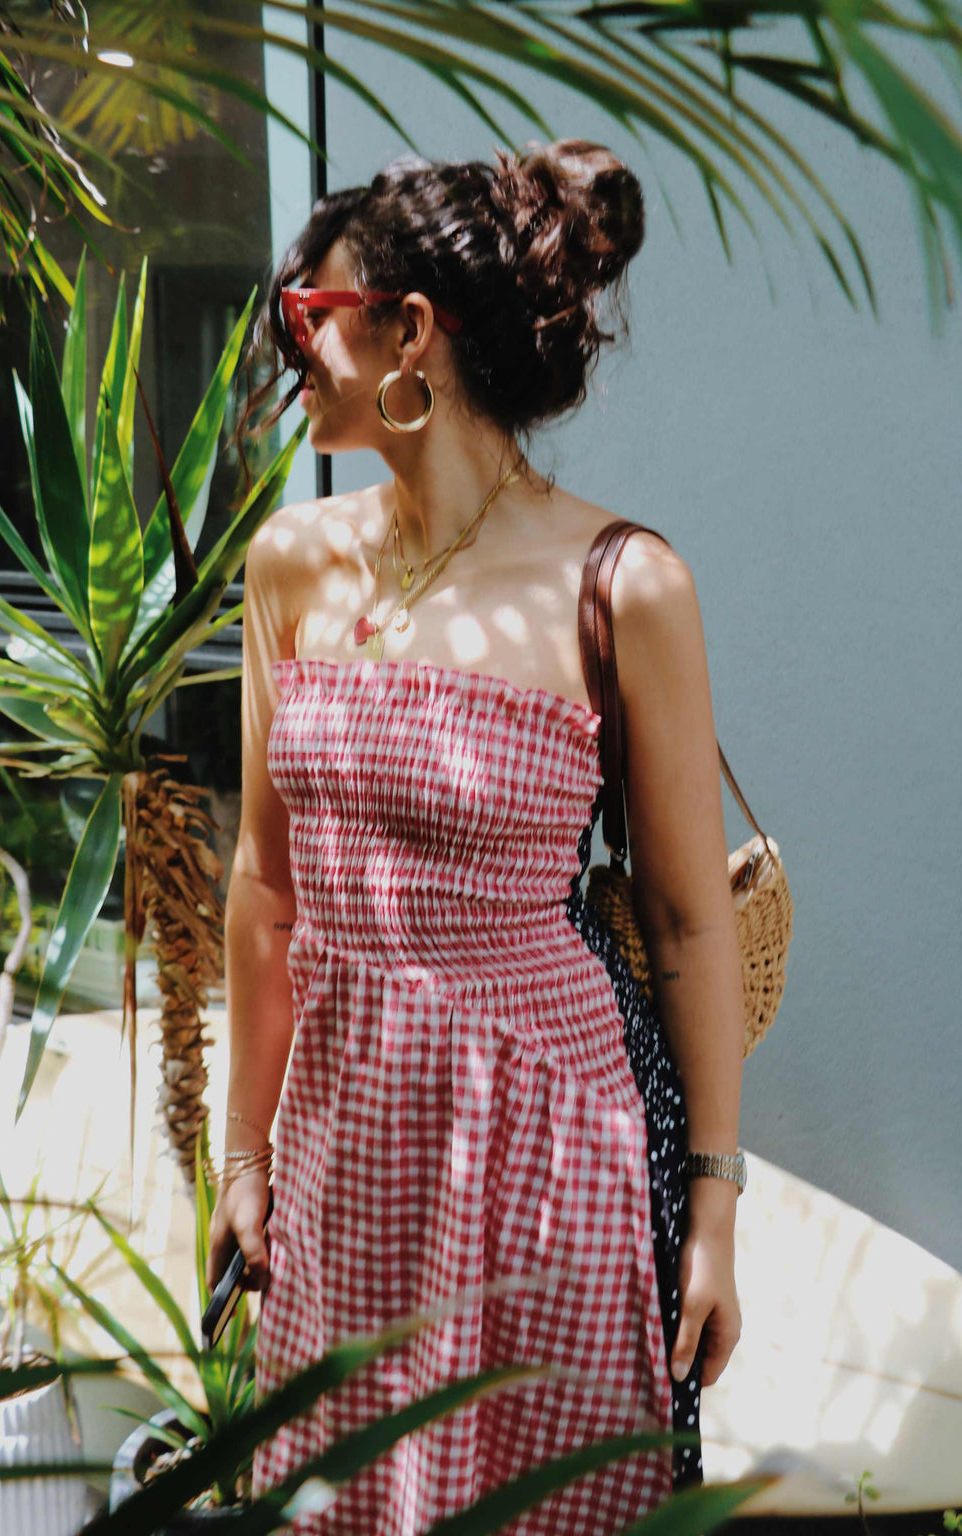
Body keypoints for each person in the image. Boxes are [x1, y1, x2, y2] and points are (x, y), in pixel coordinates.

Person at [208, 138, 745, 1533]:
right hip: (343, 1150)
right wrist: (244, 1152)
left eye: (310, 315)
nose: (290, 349)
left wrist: (713, 1210)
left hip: (545, 1149)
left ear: (410, 333)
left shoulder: (624, 584)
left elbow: (690, 924)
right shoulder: (292, 565)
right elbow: (267, 887)